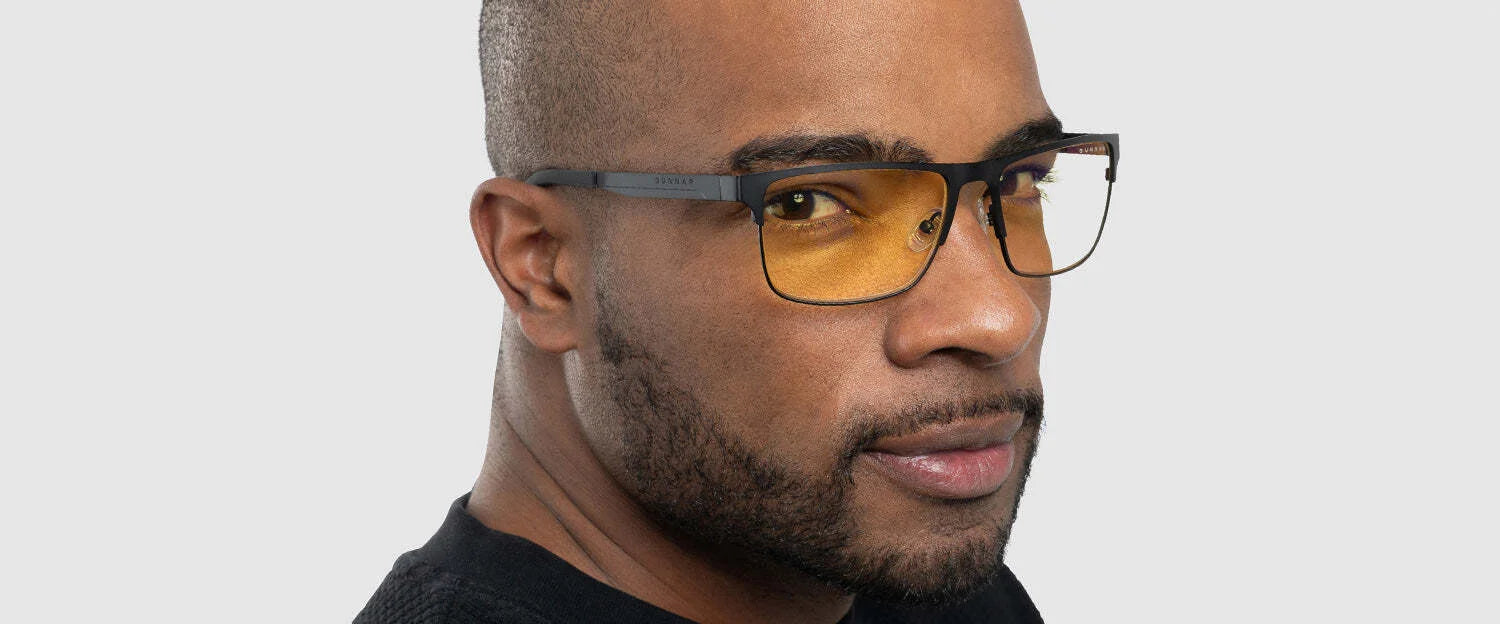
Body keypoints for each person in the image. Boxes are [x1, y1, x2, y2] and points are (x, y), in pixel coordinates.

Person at [357, 0, 1118, 622]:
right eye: (808, 202)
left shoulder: (926, 592)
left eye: (1017, 181)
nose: (998, 315)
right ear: (541, 265)